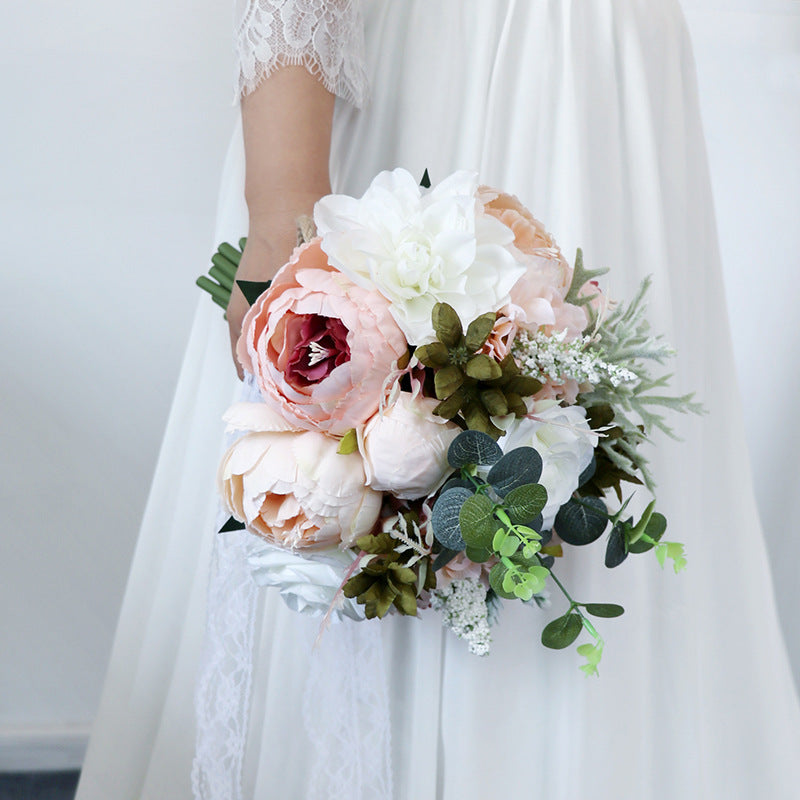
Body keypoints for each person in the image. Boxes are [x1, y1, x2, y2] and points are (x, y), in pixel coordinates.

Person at [76, 1, 800, 798]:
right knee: (375, 463)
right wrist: (282, 202)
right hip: (431, 72)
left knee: (581, 466)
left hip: (601, 91)